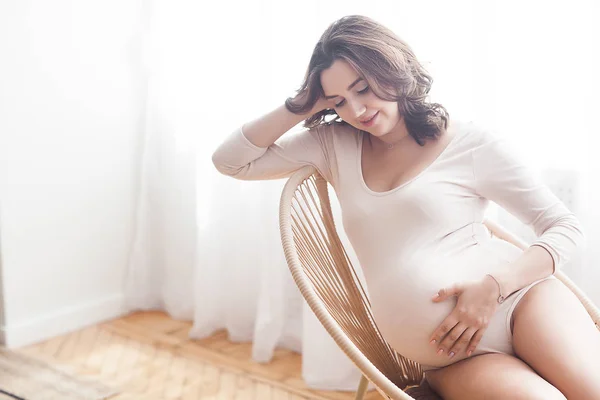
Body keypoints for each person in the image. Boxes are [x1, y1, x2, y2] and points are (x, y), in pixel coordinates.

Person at [211, 15, 599, 399]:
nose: (358, 109)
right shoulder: (333, 144)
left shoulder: (471, 144)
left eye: (363, 88)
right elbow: (232, 162)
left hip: (519, 305)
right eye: (339, 101)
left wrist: (495, 288)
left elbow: (565, 227)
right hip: (454, 359)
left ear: (392, 69)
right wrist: (301, 104)